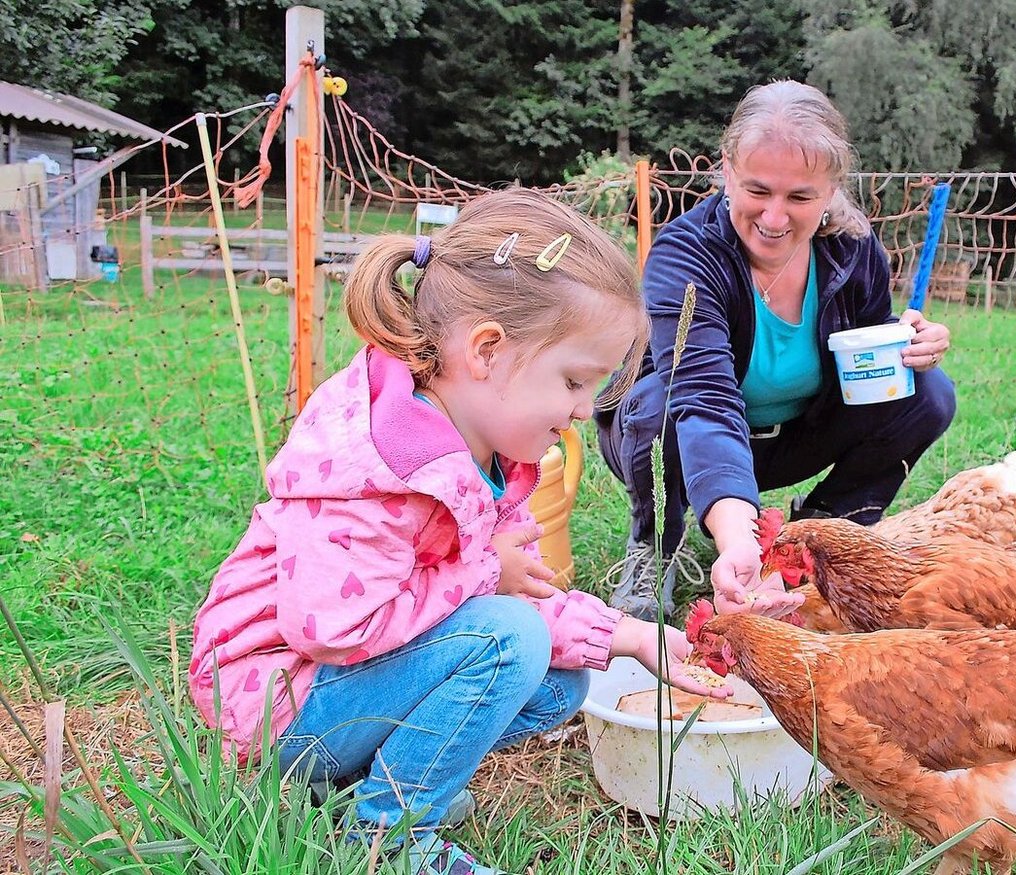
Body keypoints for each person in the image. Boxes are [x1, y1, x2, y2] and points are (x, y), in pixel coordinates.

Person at [188, 190, 730, 875]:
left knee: (558, 679)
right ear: (486, 350)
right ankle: (388, 837)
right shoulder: (384, 466)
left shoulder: (492, 455)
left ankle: (352, 787)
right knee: (512, 640)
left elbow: (513, 589)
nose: (581, 410)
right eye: (572, 380)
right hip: (276, 704)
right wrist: (484, 572)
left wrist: (630, 636)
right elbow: (332, 626)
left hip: (336, 687)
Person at [596, 80, 956, 622]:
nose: (774, 217)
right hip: (681, 441)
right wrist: (739, 540)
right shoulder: (686, 256)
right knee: (657, 402)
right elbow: (703, 401)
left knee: (926, 394)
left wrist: (909, 345)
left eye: (800, 197)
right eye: (758, 190)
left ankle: (819, 537)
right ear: (726, 169)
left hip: (792, 436)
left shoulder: (853, 252)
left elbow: (867, 351)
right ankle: (654, 545)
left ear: (832, 189)